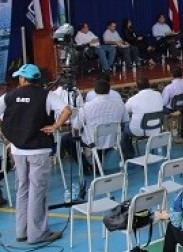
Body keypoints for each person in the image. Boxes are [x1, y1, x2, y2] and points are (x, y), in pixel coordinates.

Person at [0, 64, 72, 243]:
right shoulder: (47, 95)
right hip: (39, 149)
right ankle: (37, 234)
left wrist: (5, 132)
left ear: (23, 79)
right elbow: (67, 110)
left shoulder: (9, 96)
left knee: (22, 189)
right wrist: (55, 126)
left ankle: (21, 231)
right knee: (37, 191)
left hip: (18, 149)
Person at [65, 79, 129, 174]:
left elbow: (75, 126)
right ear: (109, 90)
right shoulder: (119, 104)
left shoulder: (86, 107)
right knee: (98, 135)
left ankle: (85, 166)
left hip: (93, 141)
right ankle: (96, 164)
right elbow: (125, 121)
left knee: (66, 139)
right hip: (113, 139)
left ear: (95, 91)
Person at [123, 76, 164, 159]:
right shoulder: (158, 95)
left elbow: (124, 111)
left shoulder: (133, 99)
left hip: (139, 130)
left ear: (137, 87)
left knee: (124, 131)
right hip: (156, 128)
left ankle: (128, 155)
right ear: (149, 84)